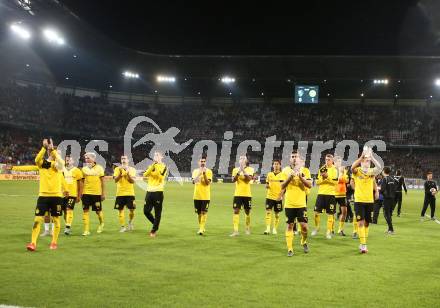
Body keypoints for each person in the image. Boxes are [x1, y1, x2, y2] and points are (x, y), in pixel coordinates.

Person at [26, 139, 67, 251]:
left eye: (57, 152)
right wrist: (44, 147)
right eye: (53, 152)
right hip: (43, 196)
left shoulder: (58, 165)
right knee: (37, 219)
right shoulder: (42, 163)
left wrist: (53, 149)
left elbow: (62, 163)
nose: (55, 153)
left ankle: (54, 242)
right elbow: (37, 159)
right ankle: (33, 243)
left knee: (56, 220)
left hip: (57, 196)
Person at [351, 147, 381, 253]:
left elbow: (379, 167)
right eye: (366, 161)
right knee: (360, 223)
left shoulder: (371, 172)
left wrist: (372, 157)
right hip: (359, 200)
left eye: (368, 161)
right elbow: (352, 168)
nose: (367, 163)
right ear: (362, 162)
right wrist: (361, 158)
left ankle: (362, 242)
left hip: (369, 201)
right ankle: (363, 245)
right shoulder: (357, 171)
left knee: (367, 223)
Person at [281, 151, 312, 257]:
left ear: (299, 159)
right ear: (290, 159)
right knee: (290, 225)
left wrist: (301, 178)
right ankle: (290, 249)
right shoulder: (285, 170)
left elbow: (310, 185)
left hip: (301, 204)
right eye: (292, 156)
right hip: (289, 203)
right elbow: (282, 186)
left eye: (296, 157)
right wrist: (290, 177)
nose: (294, 158)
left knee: (304, 227)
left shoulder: (305, 170)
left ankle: (303, 241)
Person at [312, 154, 338, 239]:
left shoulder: (335, 169)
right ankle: (317, 227)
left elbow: (335, 183)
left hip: (331, 194)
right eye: (326, 159)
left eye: (329, 160)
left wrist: (327, 177)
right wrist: (324, 179)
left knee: (330, 214)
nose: (327, 161)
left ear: (332, 160)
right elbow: (317, 182)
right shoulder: (322, 169)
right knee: (316, 213)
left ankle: (328, 232)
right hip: (321, 194)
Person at [143, 151, 167, 237]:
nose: (155, 156)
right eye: (155, 155)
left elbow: (161, 178)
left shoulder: (164, 167)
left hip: (158, 192)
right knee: (146, 211)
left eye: (157, 155)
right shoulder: (151, 166)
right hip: (149, 191)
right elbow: (145, 174)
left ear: (161, 157)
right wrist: (153, 165)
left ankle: (153, 230)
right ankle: (155, 224)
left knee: (157, 212)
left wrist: (156, 167)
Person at [81, 152, 106, 236]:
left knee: (98, 211)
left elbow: (103, 182)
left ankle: (101, 223)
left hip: (96, 194)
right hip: (86, 193)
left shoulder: (100, 168)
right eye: (86, 158)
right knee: (85, 211)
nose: (86, 160)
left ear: (93, 159)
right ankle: (86, 230)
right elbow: (82, 181)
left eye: (88, 158)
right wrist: (81, 193)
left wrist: (103, 193)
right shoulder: (84, 169)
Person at [230, 155, 255, 236]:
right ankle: (235, 231)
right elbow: (233, 180)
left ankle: (247, 228)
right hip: (237, 194)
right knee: (236, 211)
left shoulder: (250, 169)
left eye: (243, 158)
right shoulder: (235, 170)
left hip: (247, 194)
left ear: (246, 160)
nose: (242, 159)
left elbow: (248, 179)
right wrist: (238, 172)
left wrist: (243, 170)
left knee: (247, 212)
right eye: (240, 158)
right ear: (239, 160)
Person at [113, 155, 137, 232]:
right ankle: (123, 226)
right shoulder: (117, 169)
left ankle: (130, 222)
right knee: (120, 210)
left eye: (125, 158)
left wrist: (127, 174)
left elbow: (132, 181)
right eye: (122, 158)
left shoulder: (132, 169)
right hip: (120, 193)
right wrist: (120, 174)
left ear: (128, 160)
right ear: (121, 160)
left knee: (132, 210)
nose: (123, 160)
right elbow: (115, 180)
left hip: (130, 193)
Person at [192, 155, 213, 235]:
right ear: (198, 162)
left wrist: (204, 174)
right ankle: (201, 227)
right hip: (197, 195)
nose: (202, 163)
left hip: (206, 196)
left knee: (204, 212)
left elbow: (207, 183)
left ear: (206, 162)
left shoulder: (209, 171)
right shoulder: (195, 171)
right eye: (201, 161)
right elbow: (194, 181)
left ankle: (201, 229)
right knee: (199, 213)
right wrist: (199, 174)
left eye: (204, 161)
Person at [264, 159, 286, 235]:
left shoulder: (283, 175)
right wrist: (266, 186)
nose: (276, 165)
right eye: (274, 164)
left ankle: (274, 229)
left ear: (280, 166)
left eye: (277, 164)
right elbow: (267, 183)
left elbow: (284, 187)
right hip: (269, 196)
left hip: (278, 198)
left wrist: (281, 197)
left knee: (277, 214)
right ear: (273, 165)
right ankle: (267, 229)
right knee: (268, 212)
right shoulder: (269, 174)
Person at [62, 155, 83, 235]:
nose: (68, 161)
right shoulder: (62, 170)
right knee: (64, 211)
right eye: (66, 160)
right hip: (62, 194)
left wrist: (79, 195)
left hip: (72, 194)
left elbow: (80, 184)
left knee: (69, 209)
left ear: (73, 161)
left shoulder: (77, 171)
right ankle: (67, 225)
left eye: (69, 160)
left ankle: (67, 227)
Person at [334, 156, 349, 236]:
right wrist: (340, 175)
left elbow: (347, 180)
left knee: (344, 212)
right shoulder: (332, 170)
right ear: (334, 162)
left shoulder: (344, 170)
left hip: (342, 194)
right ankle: (331, 229)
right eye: (337, 162)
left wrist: (341, 174)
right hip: (333, 193)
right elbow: (338, 179)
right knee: (331, 212)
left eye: (340, 162)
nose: (339, 163)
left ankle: (340, 229)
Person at [381, 167, 397, 234]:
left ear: (384, 171)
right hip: (392, 199)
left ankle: (391, 229)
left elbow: (382, 189)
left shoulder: (385, 179)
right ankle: (389, 229)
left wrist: (381, 191)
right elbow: (395, 188)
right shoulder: (392, 178)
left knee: (386, 214)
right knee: (389, 214)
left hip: (387, 199)